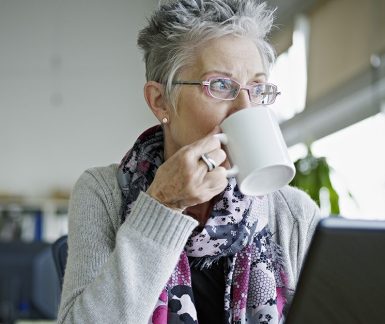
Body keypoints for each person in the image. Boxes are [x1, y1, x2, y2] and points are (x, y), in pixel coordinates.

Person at [57, 1, 321, 323]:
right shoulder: (103, 193)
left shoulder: (293, 214)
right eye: (221, 85)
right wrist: (163, 204)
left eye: (256, 87)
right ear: (160, 100)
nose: (245, 107)